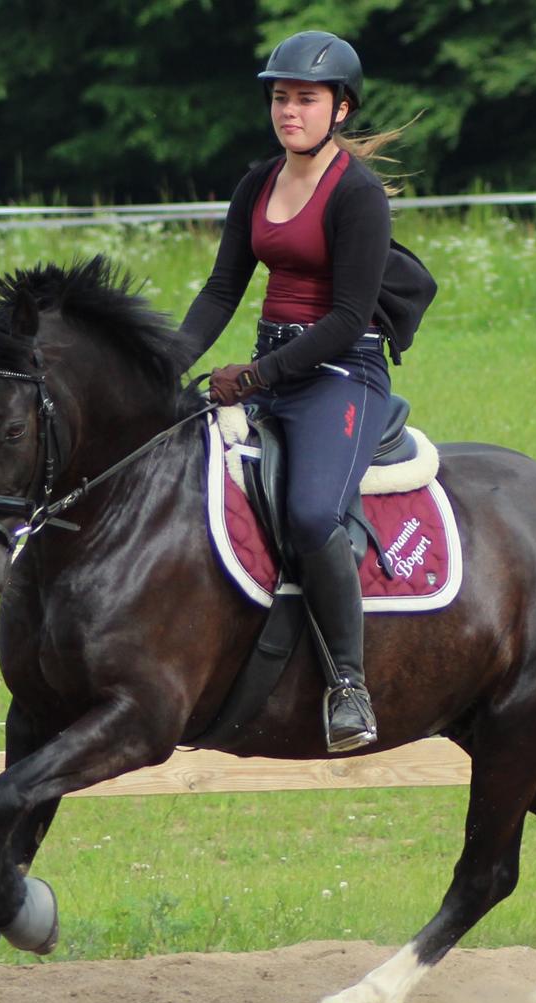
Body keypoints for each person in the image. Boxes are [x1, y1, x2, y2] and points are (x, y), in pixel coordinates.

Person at [181, 29, 411, 755]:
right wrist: (163, 360)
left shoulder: (359, 195)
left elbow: (346, 320)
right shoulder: (258, 182)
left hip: (341, 375)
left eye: (305, 99)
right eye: (280, 97)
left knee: (312, 515)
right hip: (271, 367)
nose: (289, 111)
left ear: (340, 109)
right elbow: (223, 289)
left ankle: (349, 686)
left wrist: (253, 378)